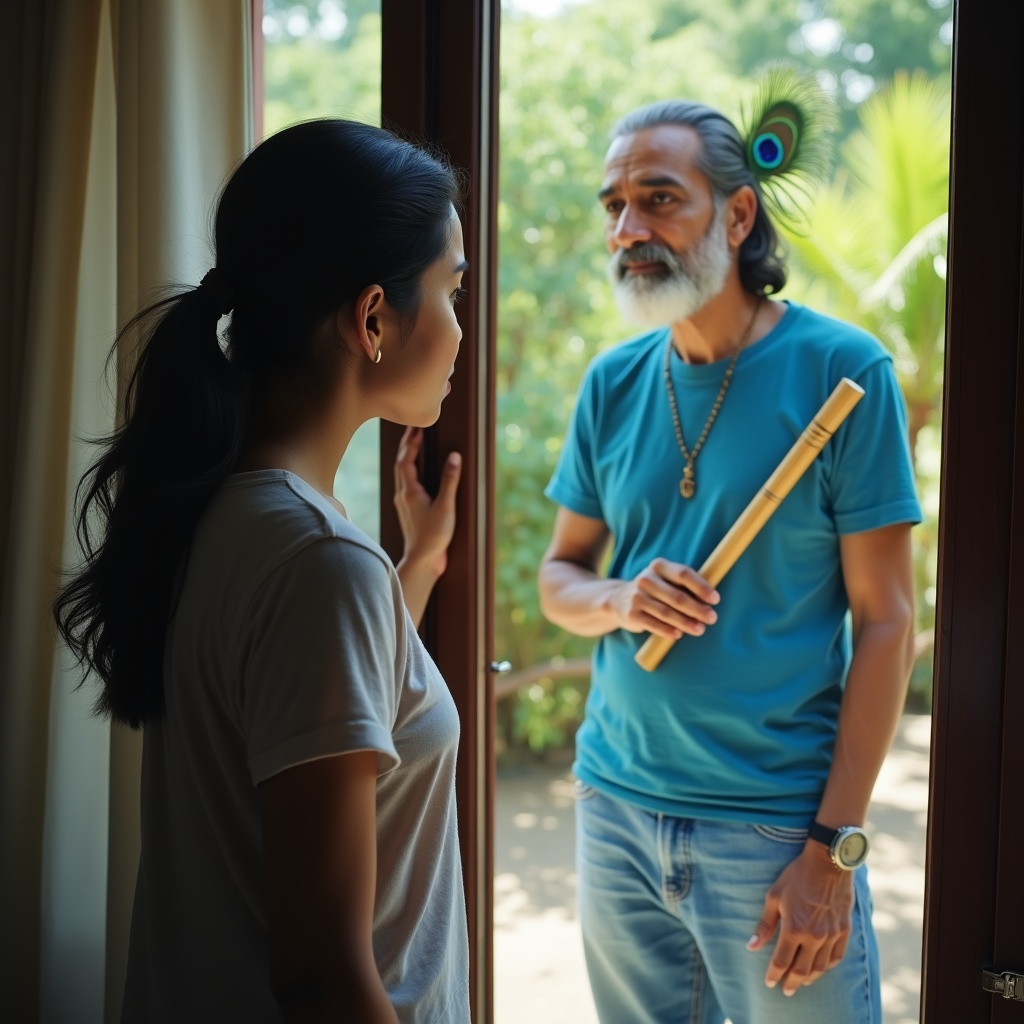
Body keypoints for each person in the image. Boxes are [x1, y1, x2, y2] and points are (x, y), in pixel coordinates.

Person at [54, 119, 471, 1023]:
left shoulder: (224, 508)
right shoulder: (321, 562)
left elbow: (304, 700)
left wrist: (418, 568)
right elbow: (319, 975)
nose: (460, 328)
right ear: (372, 318)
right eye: (451, 288)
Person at [539, 68, 922, 1024]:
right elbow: (561, 577)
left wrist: (833, 849)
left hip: (774, 826)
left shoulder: (844, 371)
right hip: (616, 808)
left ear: (740, 213)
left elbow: (887, 623)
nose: (629, 227)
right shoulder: (614, 381)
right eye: (616, 205)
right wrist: (621, 598)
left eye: (659, 199)